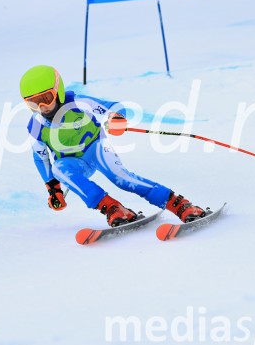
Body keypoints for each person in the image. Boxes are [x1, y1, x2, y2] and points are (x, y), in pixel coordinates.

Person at [20, 65, 206, 228]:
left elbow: (114, 106)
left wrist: (116, 118)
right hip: (73, 164)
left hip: (96, 149)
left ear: (58, 90)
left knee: (120, 178)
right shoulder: (35, 126)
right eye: (33, 103)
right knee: (58, 169)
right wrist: (53, 189)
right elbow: (40, 157)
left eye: (46, 97)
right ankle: (113, 208)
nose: (42, 106)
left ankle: (178, 203)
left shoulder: (77, 103)